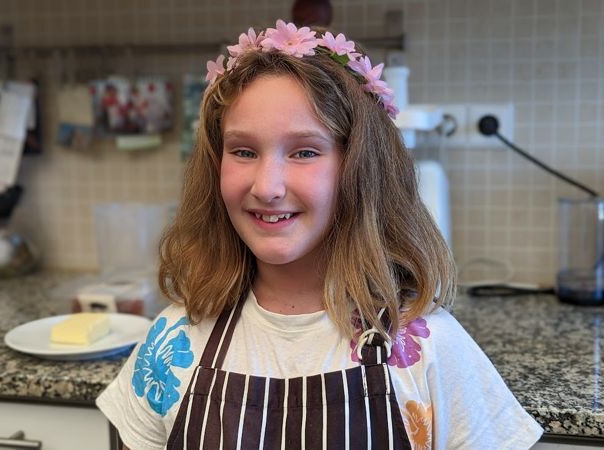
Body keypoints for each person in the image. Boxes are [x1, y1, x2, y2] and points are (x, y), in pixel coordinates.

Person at [96, 20, 543, 450]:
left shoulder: (427, 348)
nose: (267, 187)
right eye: (244, 151)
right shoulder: (174, 340)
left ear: (360, 170)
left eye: (305, 152)